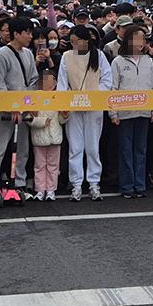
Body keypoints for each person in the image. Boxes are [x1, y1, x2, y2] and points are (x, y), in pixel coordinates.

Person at [0, 17, 39, 203]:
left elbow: (33, 80)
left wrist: (29, 105)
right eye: (28, 32)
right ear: (17, 34)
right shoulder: (1, 55)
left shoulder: (29, 54)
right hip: (4, 111)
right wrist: (10, 106)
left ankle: (20, 182)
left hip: (24, 108)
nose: (31, 36)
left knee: (23, 149)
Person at [59, 24, 113, 201]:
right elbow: (62, 83)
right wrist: (64, 103)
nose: (74, 45)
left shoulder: (99, 55)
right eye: (72, 42)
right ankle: (76, 183)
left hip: (93, 106)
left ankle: (93, 182)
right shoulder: (66, 57)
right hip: (74, 107)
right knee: (75, 146)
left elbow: (107, 79)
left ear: (85, 40)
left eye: (76, 41)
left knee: (92, 146)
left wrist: (96, 96)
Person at [109, 25, 153, 198]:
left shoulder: (148, 60)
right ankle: (127, 185)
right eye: (137, 38)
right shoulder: (118, 61)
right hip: (125, 113)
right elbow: (113, 88)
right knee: (125, 150)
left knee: (141, 150)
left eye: (143, 38)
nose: (141, 42)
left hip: (144, 112)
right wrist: (113, 113)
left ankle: (140, 184)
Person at [28, 67, 66, 200]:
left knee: (53, 165)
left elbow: (61, 120)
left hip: (55, 137)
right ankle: (40, 189)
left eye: (52, 80)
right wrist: (42, 121)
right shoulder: (35, 97)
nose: (50, 84)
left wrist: (65, 115)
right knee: (39, 165)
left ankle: (51, 189)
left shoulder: (59, 97)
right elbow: (29, 118)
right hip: (39, 137)